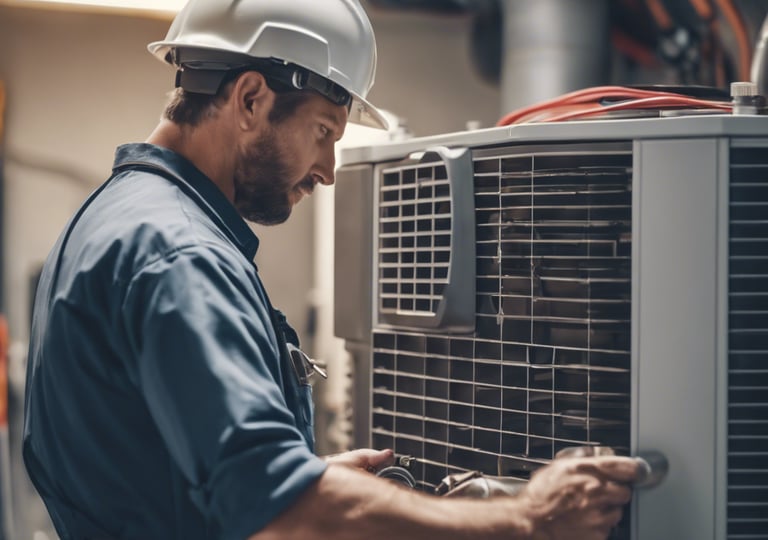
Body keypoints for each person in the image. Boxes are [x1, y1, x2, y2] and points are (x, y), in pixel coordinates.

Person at [22, 1, 640, 539]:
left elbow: (159, 467)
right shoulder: (182, 256)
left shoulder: (116, 216)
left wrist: (307, 479)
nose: (327, 171)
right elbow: (283, 515)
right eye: (322, 132)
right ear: (250, 99)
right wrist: (530, 519)